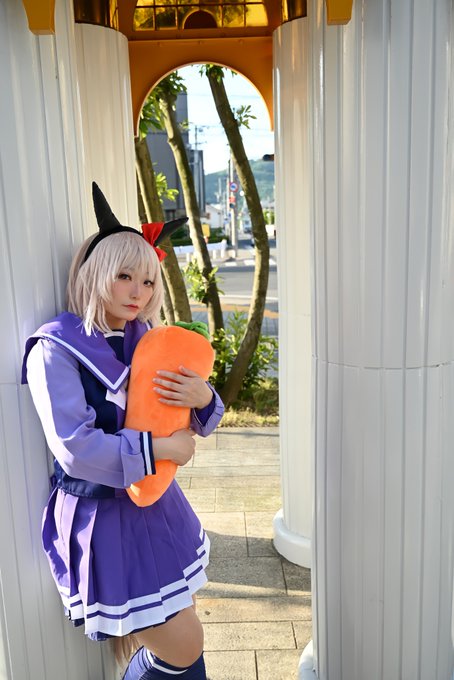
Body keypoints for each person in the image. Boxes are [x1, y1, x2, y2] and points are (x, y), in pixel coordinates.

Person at [22, 183, 224, 680]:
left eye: (149, 281)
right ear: (94, 275)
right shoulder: (55, 348)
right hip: (102, 517)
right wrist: (162, 448)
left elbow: (179, 414)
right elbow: (75, 448)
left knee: (182, 639)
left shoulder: (147, 338)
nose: (139, 293)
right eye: (125, 277)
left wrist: (203, 399)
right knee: (184, 646)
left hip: (157, 508)